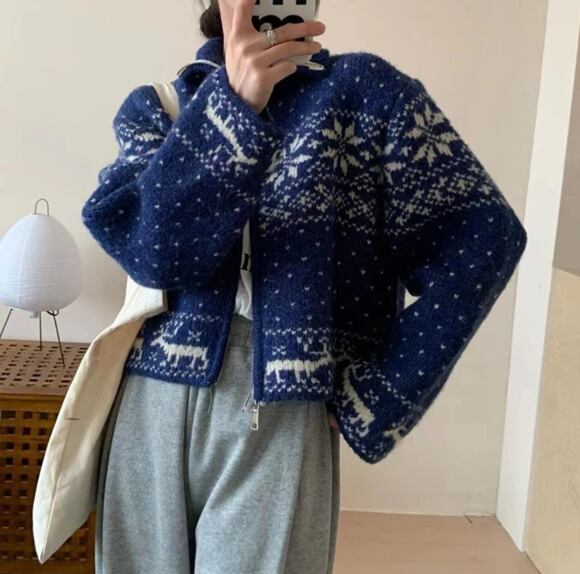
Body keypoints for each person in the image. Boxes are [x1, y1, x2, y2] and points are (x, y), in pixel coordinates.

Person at [82, 0, 527, 572]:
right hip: (149, 406)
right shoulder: (157, 109)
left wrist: (378, 392)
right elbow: (156, 257)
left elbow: (484, 238)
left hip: (281, 414)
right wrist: (234, 106)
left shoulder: (369, 95)